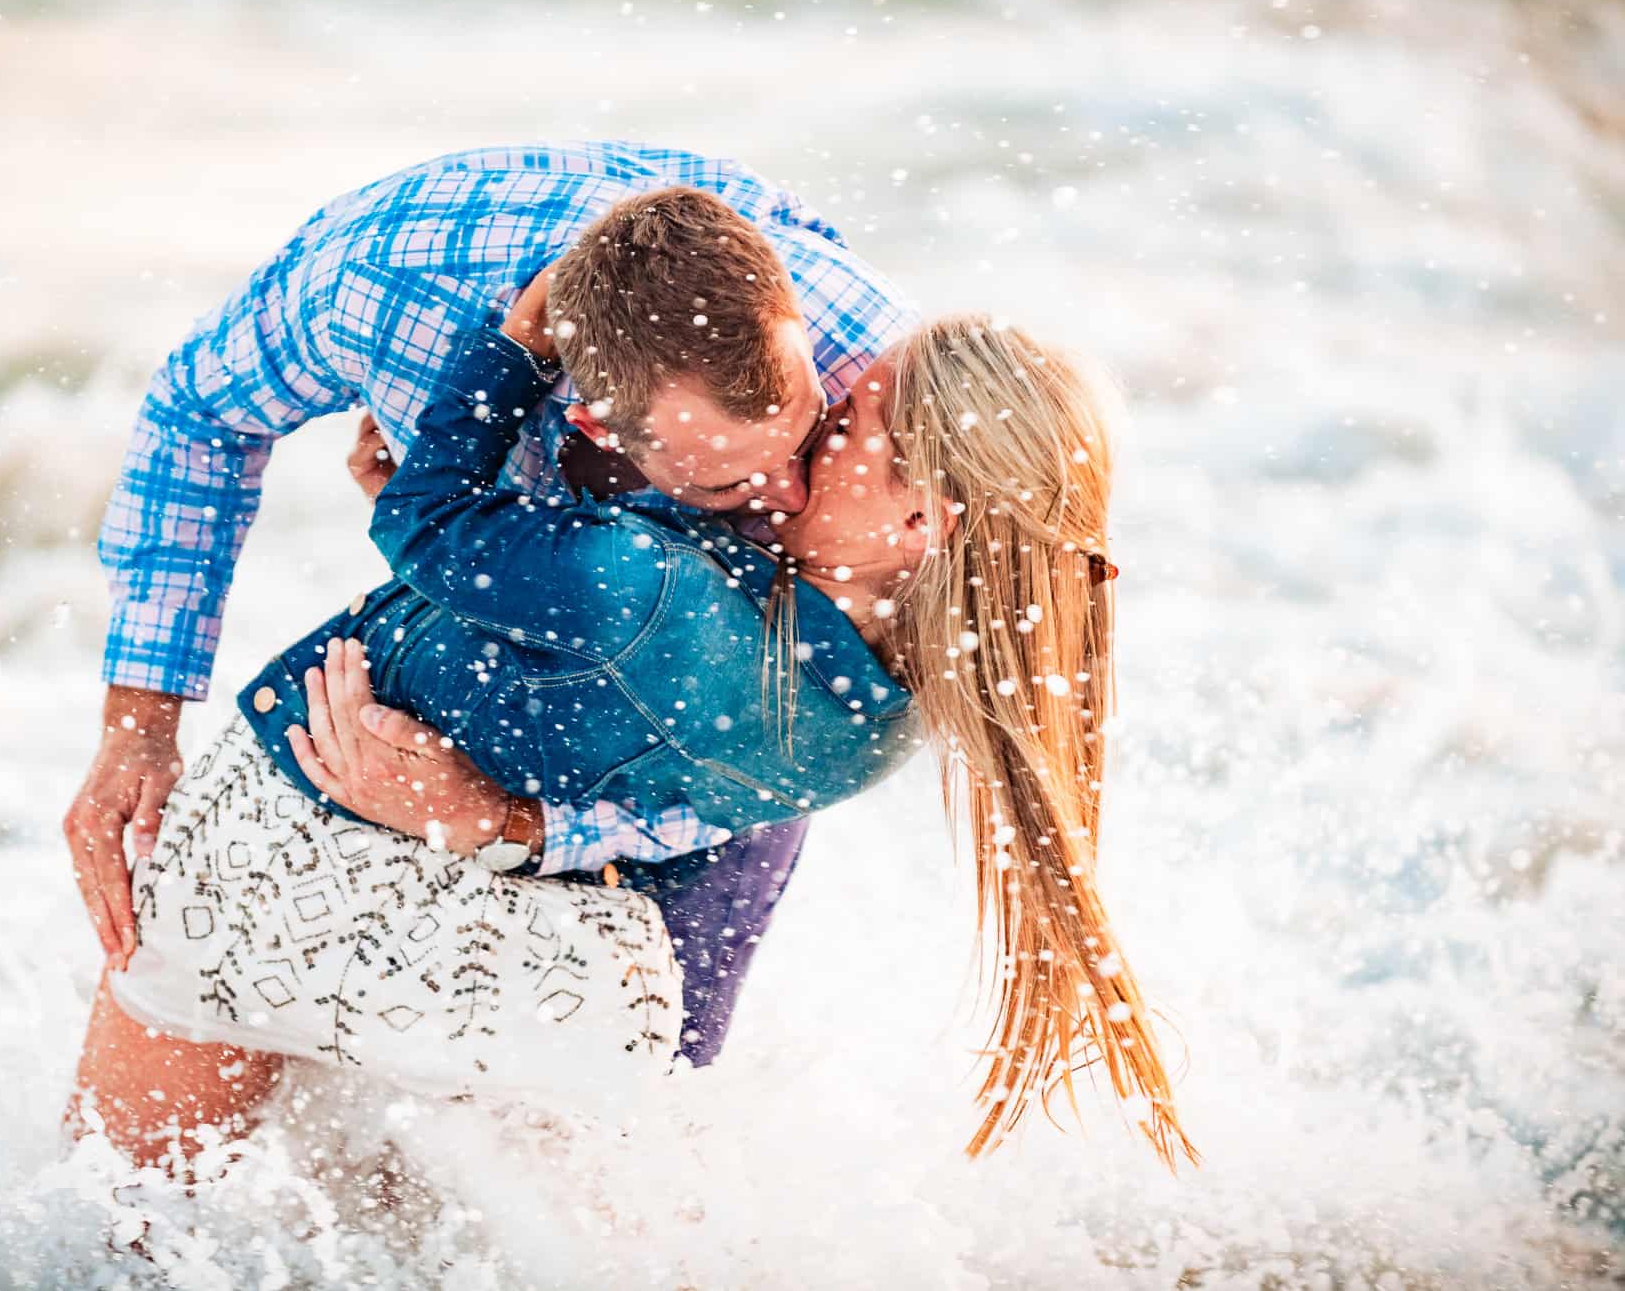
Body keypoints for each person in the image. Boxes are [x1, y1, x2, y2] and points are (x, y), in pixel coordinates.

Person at [71, 294, 1197, 1175]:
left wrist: (506, 364)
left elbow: (439, 523)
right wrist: (506, 822)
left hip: (272, 846)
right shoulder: (880, 723)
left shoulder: (650, 592)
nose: (813, 416)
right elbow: (660, 787)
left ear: (921, 518)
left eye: (845, 419)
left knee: (124, 1204)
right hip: (568, 995)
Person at [63, 144, 914, 1078]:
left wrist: (522, 826)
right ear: (593, 423)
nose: (789, 497)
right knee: (191, 1115)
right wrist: (138, 728)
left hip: (709, 753)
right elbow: (197, 417)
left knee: (633, 1116)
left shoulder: (874, 367)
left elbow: (838, 710)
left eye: (807, 441)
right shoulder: (376, 294)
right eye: (731, 481)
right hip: (447, 689)